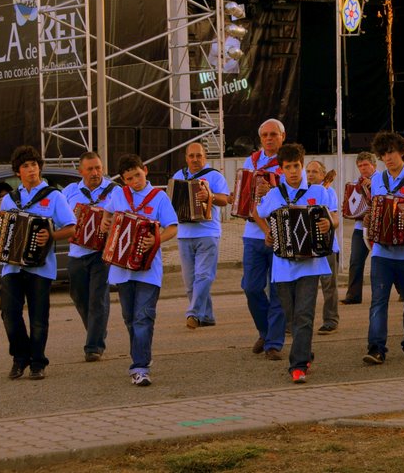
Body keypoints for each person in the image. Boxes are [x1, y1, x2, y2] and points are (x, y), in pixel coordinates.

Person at [255, 144, 336, 384]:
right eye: (288, 167)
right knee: (291, 318)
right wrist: (267, 232)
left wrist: (327, 224)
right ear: (280, 169)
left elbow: (334, 219)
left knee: (304, 315)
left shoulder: (318, 192)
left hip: (310, 265)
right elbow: (257, 212)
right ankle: (305, 352)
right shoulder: (274, 195)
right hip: (283, 265)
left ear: (302, 165)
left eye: (297, 166)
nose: (293, 171)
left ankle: (297, 365)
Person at [0, 145, 76, 381]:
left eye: (34, 165)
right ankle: (20, 357)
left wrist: (50, 234)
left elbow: (71, 228)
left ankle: (37, 362)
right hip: (11, 267)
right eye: (25, 166)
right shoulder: (10, 199)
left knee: (38, 318)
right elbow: (4, 230)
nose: (31, 169)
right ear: (17, 172)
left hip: (41, 267)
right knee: (9, 315)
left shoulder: (53, 196)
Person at [101, 154, 178, 387]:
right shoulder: (118, 194)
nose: (135, 181)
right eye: (129, 178)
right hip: (122, 268)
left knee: (143, 316)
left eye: (137, 175)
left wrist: (155, 240)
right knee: (130, 318)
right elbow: (107, 213)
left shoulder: (159, 197)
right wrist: (106, 222)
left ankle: (140, 367)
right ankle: (142, 353)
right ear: (123, 180)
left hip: (148, 269)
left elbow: (172, 228)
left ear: (145, 170)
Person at [363, 131, 404, 365]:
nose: (387, 158)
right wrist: (370, 219)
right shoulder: (378, 179)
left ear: (402, 151)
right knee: (378, 302)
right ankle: (376, 348)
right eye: (383, 154)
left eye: (391, 152)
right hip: (382, 251)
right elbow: (376, 206)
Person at [62, 151, 117, 361]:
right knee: (79, 297)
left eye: (98, 168)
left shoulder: (114, 191)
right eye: (90, 169)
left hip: (101, 254)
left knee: (98, 299)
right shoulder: (69, 192)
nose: (95, 173)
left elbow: (125, 218)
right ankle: (98, 329)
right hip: (76, 253)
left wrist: (110, 222)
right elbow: (60, 219)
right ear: (81, 171)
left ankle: (93, 346)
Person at [241, 118, 287, 360]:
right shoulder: (252, 160)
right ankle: (266, 330)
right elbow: (245, 192)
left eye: (273, 134)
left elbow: (295, 190)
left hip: (280, 233)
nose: (269, 139)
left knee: (278, 289)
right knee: (251, 287)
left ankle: (274, 343)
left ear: (283, 136)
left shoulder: (289, 160)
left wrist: (272, 190)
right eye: (265, 135)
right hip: (252, 234)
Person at [172, 143, 230, 330]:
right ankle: (207, 316)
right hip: (184, 234)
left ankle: (194, 314)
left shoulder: (214, 175)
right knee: (190, 281)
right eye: (191, 156)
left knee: (204, 276)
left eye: (199, 156)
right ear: (186, 158)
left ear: (205, 157)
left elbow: (225, 199)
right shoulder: (178, 176)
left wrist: (209, 196)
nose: (195, 159)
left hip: (208, 232)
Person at [305, 159, 340, 334]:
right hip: (307, 247)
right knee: (308, 287)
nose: (310, 174)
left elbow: (335, 218)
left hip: (327, 246)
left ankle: (331, 320)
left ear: (322, 174)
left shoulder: (329, 192)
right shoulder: (302, 192)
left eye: (314, 172)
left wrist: (329, 224)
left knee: (328, 285)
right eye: (308, 171)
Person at [342, 151, 377, 305]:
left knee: (384, 260)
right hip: (359, 227)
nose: (363, 168)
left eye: (366, 165)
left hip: (378, 226)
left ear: (374, 165)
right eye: (360, 165)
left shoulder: (383, 180)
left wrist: (374, 186)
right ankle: (353, 296)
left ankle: (403, 291)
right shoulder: (356, 184)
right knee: (355, 260)